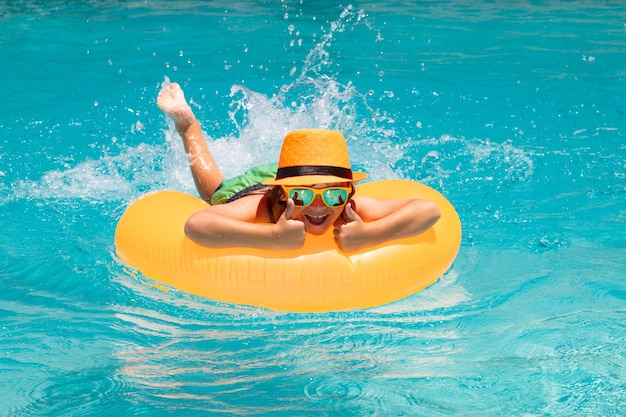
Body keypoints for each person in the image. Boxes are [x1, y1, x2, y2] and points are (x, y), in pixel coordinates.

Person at [157, 82, 441, 252]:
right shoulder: (259, 207)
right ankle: (187, 126)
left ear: (348, 193)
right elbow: (197, 225)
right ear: (283, 196)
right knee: (214, 193)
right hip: (254, 186)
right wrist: (271, 236)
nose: (319, 206)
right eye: (304, 196)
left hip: (293, 173)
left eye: (332, 195)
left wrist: (370, 235)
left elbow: (430, 210)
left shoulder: (348, 208)